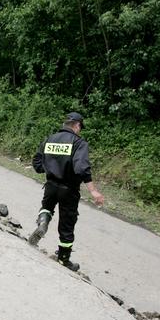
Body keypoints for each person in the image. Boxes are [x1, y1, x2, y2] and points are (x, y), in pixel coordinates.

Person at [28, 112, 104, 271]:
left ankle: (43, 222)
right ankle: (63, 259)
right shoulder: (78, 143)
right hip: (68, 189)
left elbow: (36, 163)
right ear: (76, 125)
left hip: (50, 185)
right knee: (67, 224)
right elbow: (82, 168)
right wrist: (93, 191)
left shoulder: (50, 139)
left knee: (47, 207)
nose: (80, 130)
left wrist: (49, 169)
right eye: (80, 127)